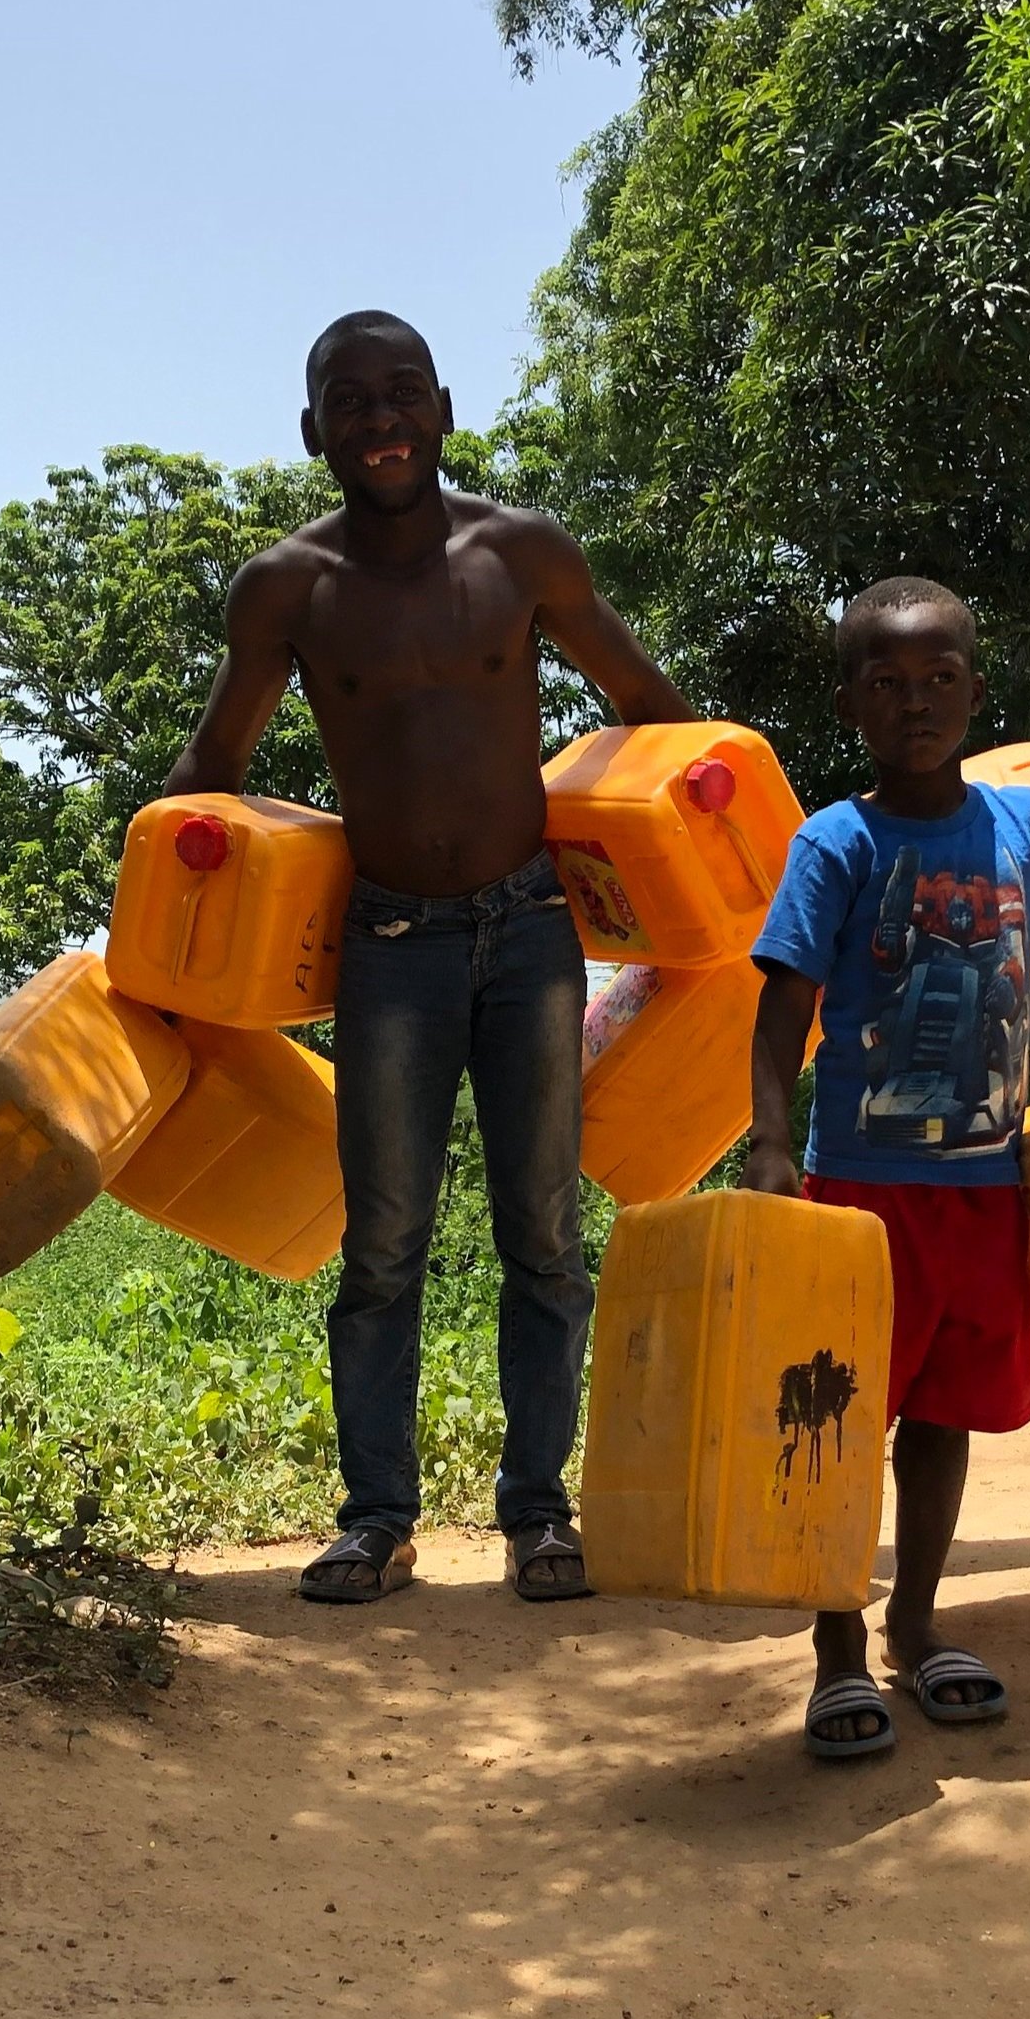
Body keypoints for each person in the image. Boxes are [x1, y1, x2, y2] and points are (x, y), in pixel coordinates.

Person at [165, 310, 692, 1604]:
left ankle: (538, 1516)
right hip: (387, 947)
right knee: (384, 1247)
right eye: (353, 402)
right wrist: (154, 938)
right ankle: (378, 1519)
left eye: (404, 395)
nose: (382, 420)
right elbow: (214, 775)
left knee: (545, 1239)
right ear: (314, 432)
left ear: (445, 410)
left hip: (531, 936)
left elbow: (656, 712)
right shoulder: (286, 588)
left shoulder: (520, 555)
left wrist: (714, 897)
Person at [742, 576, 1030, 1758]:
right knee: (842, 1420)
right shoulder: (836, 842)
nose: (917, 703)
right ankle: (836, 1649)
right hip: (862, 1186)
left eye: (940, 681)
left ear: (974, 687)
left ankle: (915, 1621)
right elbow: (782, 1011)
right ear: (852, 699)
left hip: (985, 1183)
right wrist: (768, 1140)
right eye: (890, 684)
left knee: (948, 1411)